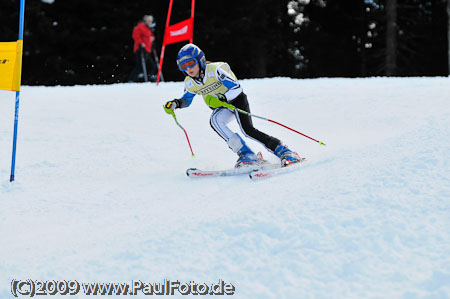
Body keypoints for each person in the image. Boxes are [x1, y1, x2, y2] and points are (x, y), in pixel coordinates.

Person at [164, 44, 302, 168]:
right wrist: (175, 104)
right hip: (223, 106)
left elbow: (236, 88)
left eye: (190, 63)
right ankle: (247, 155)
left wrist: (222, 98)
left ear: (200, 60)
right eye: (183, 66)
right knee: (215, 121)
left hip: (236, 100)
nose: (188, 68)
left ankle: (284, 151)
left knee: (247, 130)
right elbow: (186, 100)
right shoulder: (190, 82)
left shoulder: (214, 70)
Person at [128, 15, 157, 82]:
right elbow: (135, 35)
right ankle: (132, 79)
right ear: (145, 21)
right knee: (140, 66)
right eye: (149, 21)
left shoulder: (148, 28)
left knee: (151, 65)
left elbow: (151, 36)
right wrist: (141, 43)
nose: (150, 22)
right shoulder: (140, 27)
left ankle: (149, 77)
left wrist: (152, 39)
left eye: (151, 21)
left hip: (146, 50)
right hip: (140, 49)